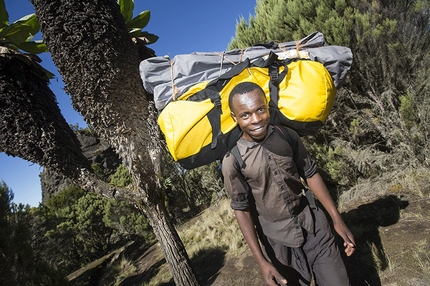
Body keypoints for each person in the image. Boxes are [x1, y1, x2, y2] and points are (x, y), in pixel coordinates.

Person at [222, 82, 356, 286]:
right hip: (277, 243)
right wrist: (262, 262)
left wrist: (336, 218)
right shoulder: (233, 160)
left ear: (267, 106)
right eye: (245, 115)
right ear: (234, 117)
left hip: (313, 225)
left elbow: (310, 173)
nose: (256, 119)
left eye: (260, 110)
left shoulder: (286, 135)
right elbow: (241, 209)